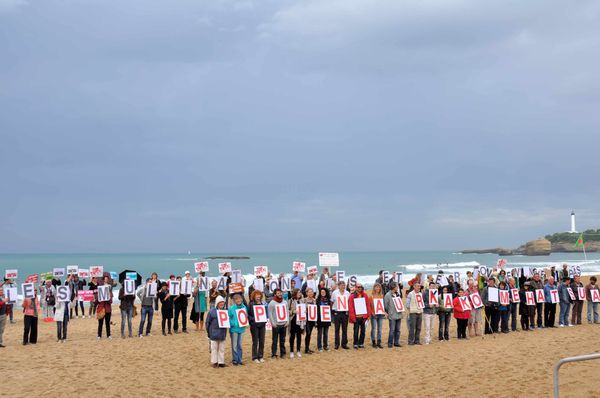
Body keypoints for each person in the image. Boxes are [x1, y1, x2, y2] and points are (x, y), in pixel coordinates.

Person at [206, 295, 228, 368]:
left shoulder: (225, 311)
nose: (222, 304)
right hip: (214, 333)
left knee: (221, 348)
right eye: (220, 302)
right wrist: (209, 333)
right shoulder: (212, 311)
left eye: (223, 302)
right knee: (214, 349)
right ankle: (214, 362)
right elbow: (207, 322)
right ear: (217, 303)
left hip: (222, 334)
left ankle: (221, 362)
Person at [348, 283, 371, 349]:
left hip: (363, 317)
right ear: (355, 287)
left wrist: (368, 315)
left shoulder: (365, 295)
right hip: (356, 317)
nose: (359, 288)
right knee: (356, 331)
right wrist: (353, 317)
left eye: (361, 287)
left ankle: (361, 343)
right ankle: (355, 343)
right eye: (358, 287)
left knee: (363, 331)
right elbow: (351, 307)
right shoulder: (352, 296)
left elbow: (367, 305)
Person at [268, 288, 288, 358]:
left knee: (282, 340)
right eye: (278, 293)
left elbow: (287, 312)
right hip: (276, 325)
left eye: (280, 293)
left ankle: (283, 353)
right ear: (275, 294)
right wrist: (273, 323)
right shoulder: (272, 303)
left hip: (284, 324)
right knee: (275, 340)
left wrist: (287, 321)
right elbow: (270, 313)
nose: (280, 294)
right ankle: (274, 354)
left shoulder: (285, 302)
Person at [228, 293, 247, 365]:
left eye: (239, 299)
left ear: (242, 299)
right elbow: (228, 318)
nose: (238, 300)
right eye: (236, 299)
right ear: (234, 300)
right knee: (234, 345)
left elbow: (246, 316)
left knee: (240, 345)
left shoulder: (244, 307)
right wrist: (233, 324)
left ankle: (240, 359)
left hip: (241, 329)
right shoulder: (231, 308)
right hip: (234, 329)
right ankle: (235, 360)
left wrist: (244, 323)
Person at [248, 290, 266, 363]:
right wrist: (253, 320)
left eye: (259, 295)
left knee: (262, 341)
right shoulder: (251, 304)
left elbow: (266, 313)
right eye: (256, 295)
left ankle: (260, 356)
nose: (258, 297)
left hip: (262, 325)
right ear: (254, 296)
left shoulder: (263, 304)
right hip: (254, 326)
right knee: (255, 341)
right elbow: (248, 315)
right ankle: (255, 357)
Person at [330, 281, 350, 350]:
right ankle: (336, 344)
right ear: (338, 286)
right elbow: (332, 302)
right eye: (341, 285)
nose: (343, 287)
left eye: (344, 285)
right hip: (337, 313)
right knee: (337, 329)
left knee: (345, 329)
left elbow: (349, 302)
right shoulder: (334, 293)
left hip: (345, 313)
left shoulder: (347, 293)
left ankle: (344, 344)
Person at [384, 281, 403, 347]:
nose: (397, 287)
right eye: (397, 286)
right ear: (393, 287)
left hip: (398, 314)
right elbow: (385, 306)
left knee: (398, 330)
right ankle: (390, 343)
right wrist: (389, 312)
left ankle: (396, 342)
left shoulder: (398, 294)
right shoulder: (387, 295)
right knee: (392, 330)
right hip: (392, 315)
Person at [288, 288, 304, 358]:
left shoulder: (301, 301)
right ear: (294, 293)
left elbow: (303, 309)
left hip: (300, 320)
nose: (299, 294)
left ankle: (298, 350)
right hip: (293, 320)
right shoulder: (290, 301)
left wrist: (304, 311)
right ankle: (291, 351)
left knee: (299, 336)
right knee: (292, 336)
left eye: (300, 293)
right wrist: (292, 312)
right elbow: (286, 311)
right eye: (298, 293)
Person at [95, 276, 113, 340]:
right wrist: (94, 300)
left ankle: (109, 335)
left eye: (107, 279)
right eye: (105, 279)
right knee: (100, 323)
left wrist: (107, 297)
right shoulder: (100, 291)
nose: (106, 280)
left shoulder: (110, 292)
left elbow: (111, 301)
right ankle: (99, 335)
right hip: (101, 309)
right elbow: (96, 301)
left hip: (108, 309)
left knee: (107, 323)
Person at [369, 283, 385, 348]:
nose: (377, 288)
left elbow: (382, 305)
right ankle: (373, 342)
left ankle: (379, 342)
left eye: (379, 287)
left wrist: (383, 311)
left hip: (380, 314)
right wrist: (371, 312)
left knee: (380, 329)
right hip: (374, 315)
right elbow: (369, 306)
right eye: (376, 287)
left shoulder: (381, 296)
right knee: (373, 328)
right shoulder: (371, 296)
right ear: (374, 288)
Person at [315, 288, 331, 352]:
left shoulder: (328, 300)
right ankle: (319, 346)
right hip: (320, 319)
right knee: (320, 333)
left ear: (326, 292)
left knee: (326, 333)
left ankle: (325, 346)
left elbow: (330, 309)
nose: (323, 293)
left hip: (326, 319)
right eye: (321, 292)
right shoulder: (317, 300)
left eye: (324, 292)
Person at [303, 287, 316, 354]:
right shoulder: (304, 300)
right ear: (307, 293)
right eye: (309, 292)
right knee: (308, 333)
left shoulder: (314, 300)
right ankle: (306, 349)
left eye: (312, 292)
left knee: (309, 333)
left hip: (312, 319)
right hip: (306, 319)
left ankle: (307, 348)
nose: (311, 293)